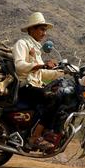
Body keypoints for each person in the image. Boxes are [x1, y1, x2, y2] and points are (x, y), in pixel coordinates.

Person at [12, 12, 62, 152]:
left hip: (36, 86)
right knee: (52, 98)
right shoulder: (22, 43)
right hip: (25, 87)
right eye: (41, 29)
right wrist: (41, 65)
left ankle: (50, 132)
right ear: (31, 29)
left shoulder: (37, 49)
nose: (44, 33)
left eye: (45, 30)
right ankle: (35, 137)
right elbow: (19, 65)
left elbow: (42, 74)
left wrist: (63, 72)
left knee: (60, 95)